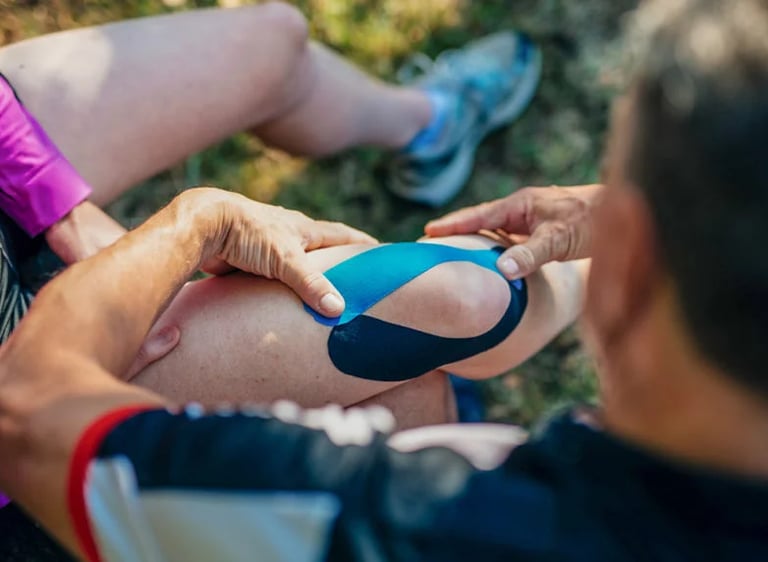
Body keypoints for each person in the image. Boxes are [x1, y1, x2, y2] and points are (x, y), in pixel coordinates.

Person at [4, 1, 768, 560]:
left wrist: (192, 223)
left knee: (449, 324)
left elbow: (26, 411)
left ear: (625, 268)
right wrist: (54, 201)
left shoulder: (415, 517)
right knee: (457, 309)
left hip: (28, 395)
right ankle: (430, 123)